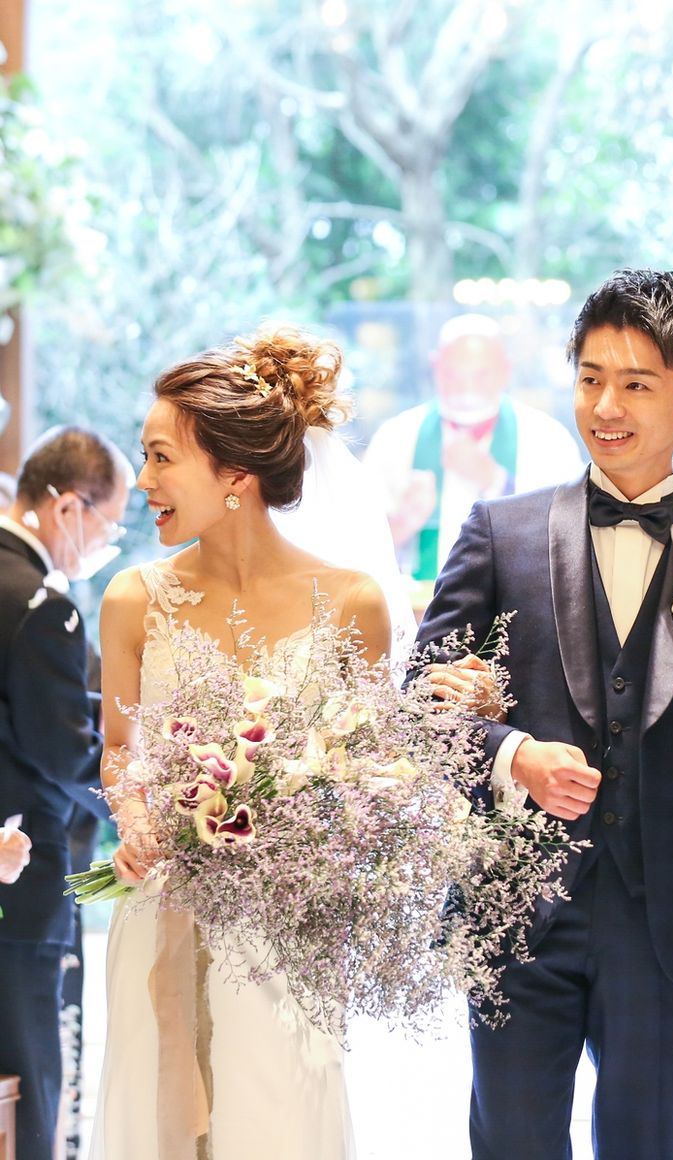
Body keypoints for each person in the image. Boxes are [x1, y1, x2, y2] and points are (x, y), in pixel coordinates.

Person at [415, 269, 673, 1160]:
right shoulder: (501, 532)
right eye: (591, 378)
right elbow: (420, 704)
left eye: (636, 384)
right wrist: (514, 756)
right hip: (519, 912)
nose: (606, 406)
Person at [89, 327, 392, 1160]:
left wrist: (314, 831)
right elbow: (118, 748)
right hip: (160, 912)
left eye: (160, 458)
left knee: (275, 1125)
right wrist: (136, 819)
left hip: (284, 935)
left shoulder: (354, 604)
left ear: (234, 474)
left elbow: (372, 774)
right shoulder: (132, 600)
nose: (142, 481)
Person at [0, 426, 131, 1160]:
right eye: (108, 525)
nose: (103, 543)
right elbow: (63, 750)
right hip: (20, 873)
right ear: (67, 508)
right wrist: (139, 806)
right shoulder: (41, 603)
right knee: (28, 1078)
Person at [363, 313, 583, 588]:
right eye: (452, 374)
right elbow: (358, 547)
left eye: (481, 375)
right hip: (419, 605)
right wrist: (403, 522)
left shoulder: (547, 439)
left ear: (506, 370)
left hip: (514, 605)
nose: (465, 388)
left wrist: (496, 481)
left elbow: (569, 543)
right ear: (435, 367)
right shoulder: (396, 437)